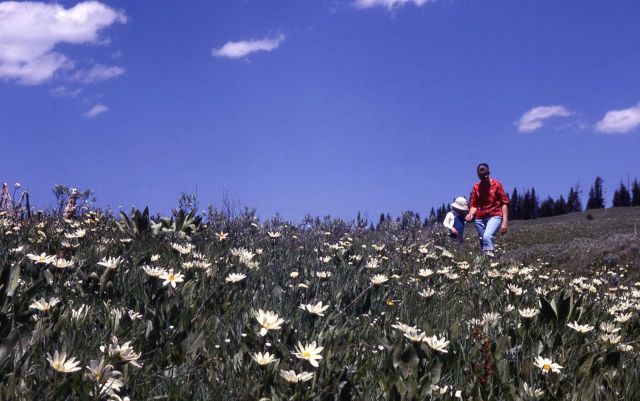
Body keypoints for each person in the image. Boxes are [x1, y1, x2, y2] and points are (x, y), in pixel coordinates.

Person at [465, 163, 510, 256]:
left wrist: (504, 221)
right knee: (483, 241)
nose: (483, 177)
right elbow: (473, 205)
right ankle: (485, 262)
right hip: (479, 218)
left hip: (495, 215)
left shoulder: (497, 185)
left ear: (489, 172)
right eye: (480, 175)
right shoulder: (476, 187)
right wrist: (471, 214)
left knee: (487, 236)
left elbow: (504, 203)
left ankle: (490, 262)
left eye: (484, 174)